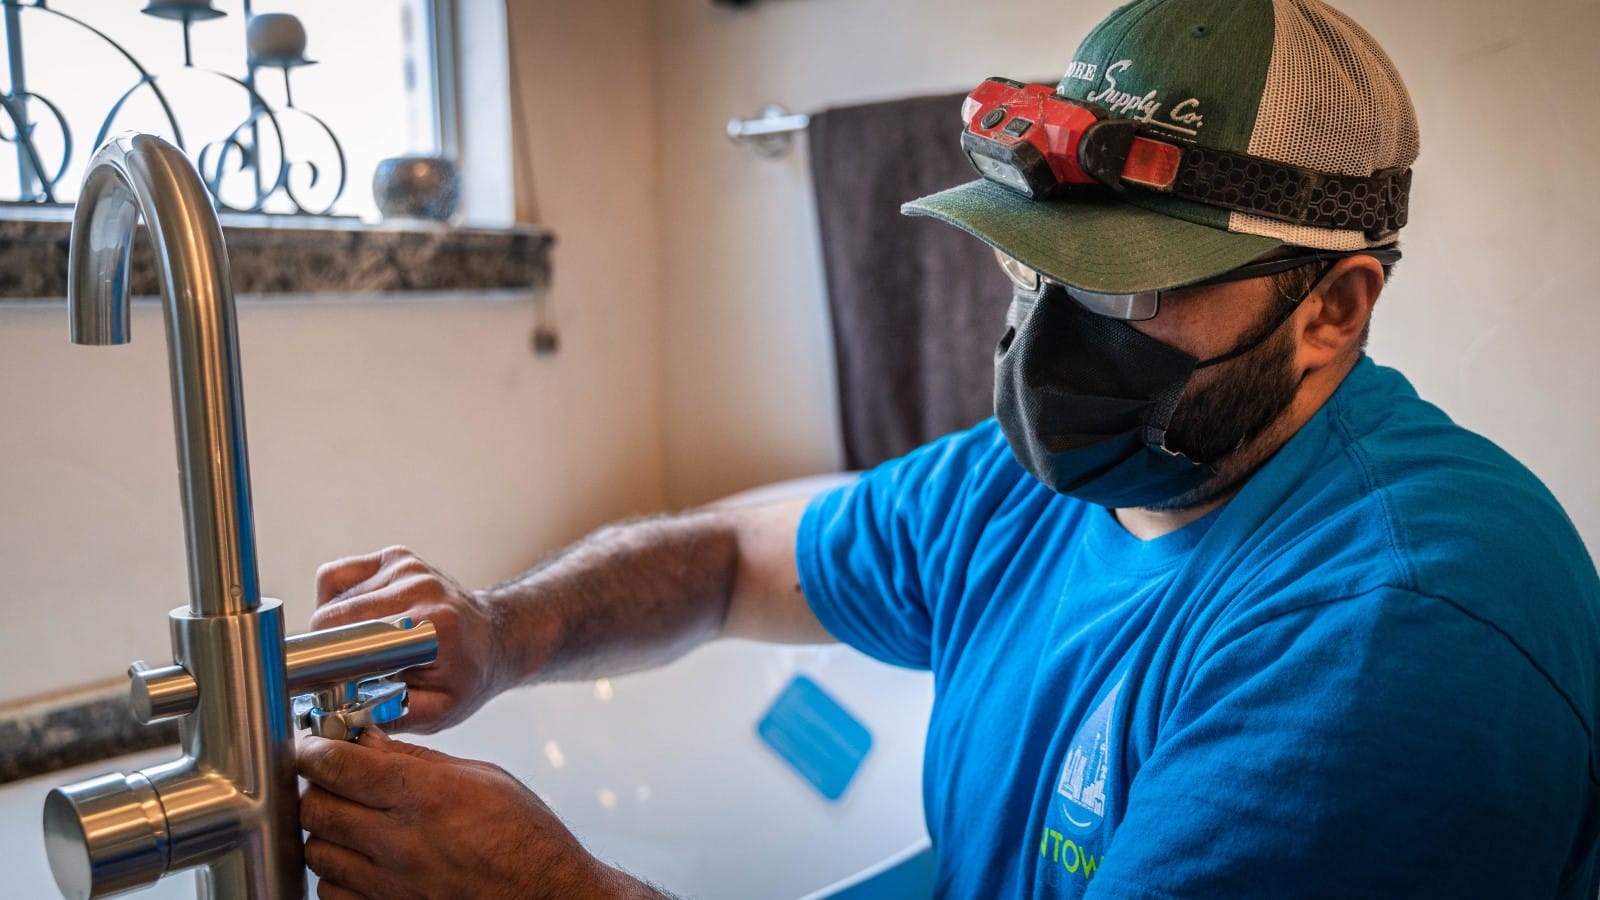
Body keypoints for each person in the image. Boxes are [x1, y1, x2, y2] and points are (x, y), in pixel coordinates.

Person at [297, 0, 1600, 897]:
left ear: (1332, 309)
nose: (1050, 338)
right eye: (1039, 265)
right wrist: (500, 629)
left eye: (1127, 288)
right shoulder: (1030, 488)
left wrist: (557, 890)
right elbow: (734, 561)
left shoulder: (1397, 633)